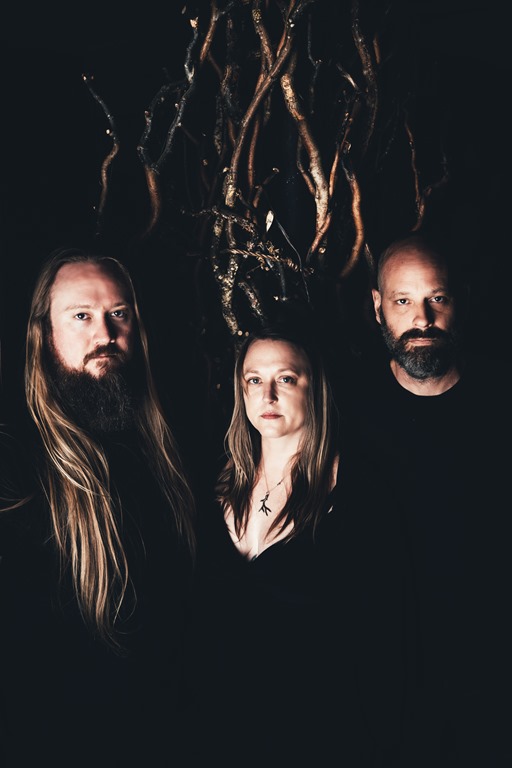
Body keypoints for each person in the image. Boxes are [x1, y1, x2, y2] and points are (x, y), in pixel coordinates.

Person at [0, 246, 196, 767]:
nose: (105, 333)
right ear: (44, 334)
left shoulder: (175, 450)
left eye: (118, 314)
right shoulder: (14, 468)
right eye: (82, 316)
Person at [184, 322, 406, 767]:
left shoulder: (356, 493)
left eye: (285, 379)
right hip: (222, 732)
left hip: (319, 734)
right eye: (254, 380)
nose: (267, 396)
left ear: (314, 387)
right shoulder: (211, 482)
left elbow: (385, 642)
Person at [341, 232, 510, 767]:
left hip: (491, 680)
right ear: (377, 307)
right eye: (403, 301)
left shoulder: (501, 400)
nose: (423, 319)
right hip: (385, 687)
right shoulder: (344, 414)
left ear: (461, 299)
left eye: (437, 298)